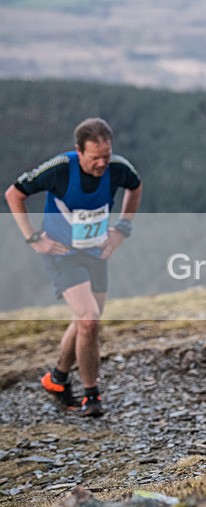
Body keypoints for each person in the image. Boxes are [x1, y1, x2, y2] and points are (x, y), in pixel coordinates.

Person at [4, 117, 142, 417]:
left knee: (86, 320)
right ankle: (92, 395)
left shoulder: (118, 167)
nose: (102, 163)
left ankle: (57, 379)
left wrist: (122, 229)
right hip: (61, 253)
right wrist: (33, 238)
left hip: (97, 252)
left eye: (106, 155)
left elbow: (135, 186)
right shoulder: (60, 169)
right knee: (89, 320)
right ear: (79, 152)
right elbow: (14, 194)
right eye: (95, 158)